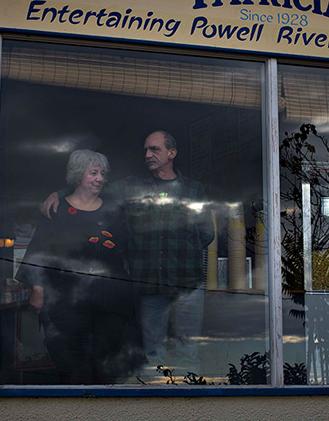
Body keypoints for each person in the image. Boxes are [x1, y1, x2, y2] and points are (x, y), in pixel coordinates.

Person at [42, 131, 214, 383]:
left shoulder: (193, 189)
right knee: (153, 356)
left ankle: (188, 410)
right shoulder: (131, 186)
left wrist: (180, 254)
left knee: (189, 353)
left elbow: (206, 233)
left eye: (154, 149)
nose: (147, 155)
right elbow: (91, 187)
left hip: (187, 283)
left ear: (171, 153)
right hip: (149, 285)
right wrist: (60, 192)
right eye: (145, 150)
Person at [17, 149, 136, 384]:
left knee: (106, 366)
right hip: (66, 300)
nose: (100, 178)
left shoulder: (113, 210)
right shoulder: (57, 210)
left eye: (102, 173)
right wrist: (38, 289)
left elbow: (127, 251)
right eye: (93, 173)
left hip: (109, 300)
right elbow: (41, 251)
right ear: (78, 175)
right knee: (72, 366)